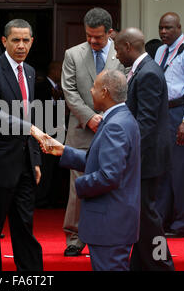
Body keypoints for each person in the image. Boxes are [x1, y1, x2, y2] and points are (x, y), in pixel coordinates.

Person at [36, 69, 141, 271]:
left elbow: (109, 175)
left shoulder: (115, 125)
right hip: (114, 221)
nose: (90, 91)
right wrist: (64, 151)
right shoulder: (121, 118)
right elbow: (103, 161)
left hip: (110, 223)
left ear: (105, 92)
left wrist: (79, 185)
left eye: (94, 87)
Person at [0, 19, 43, 272]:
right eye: (15, 40)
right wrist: (27, 128)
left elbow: (31, 117)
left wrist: (35, 159)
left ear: (32, 42)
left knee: (24, 226)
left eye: (26, 40)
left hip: (26, 163)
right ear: (4, 41)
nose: (21, 45)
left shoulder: (29, 71)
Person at [61, 7, 124, 257]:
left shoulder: (122, 54)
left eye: (97, 37)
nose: (92, 41)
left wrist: (107, 119)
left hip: (113, 129)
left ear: (110, 33)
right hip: (81, 129)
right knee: (78, 185)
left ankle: (108, 232)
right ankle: (75, 236)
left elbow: (125, 90)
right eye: (88, 35)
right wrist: (90, 118)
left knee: (110, 181)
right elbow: (69, 91)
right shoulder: (73, 54)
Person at [114, 27, 175, 271]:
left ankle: (163, 264)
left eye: (118, 49)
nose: (116, 55)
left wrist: (128, 153)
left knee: (147, 216)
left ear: (129, 46)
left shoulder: (148, 72)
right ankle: (140, 265)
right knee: (141, 216)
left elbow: (146, 122)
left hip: (147, 158)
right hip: (146, 156)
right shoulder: (143, 68)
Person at [154, 12, 184, 237]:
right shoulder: (160, 50)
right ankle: (161, 222)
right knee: (163, 169)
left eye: (169, 28)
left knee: (181, 171)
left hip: (181, 114)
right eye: (161, 27)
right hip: (163, 114)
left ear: (179, 28)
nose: (164, 31)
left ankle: (182, 224)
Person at [35, 61, 68, 208]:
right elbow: (38, 109)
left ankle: (54, 197)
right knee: (46, 167)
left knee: (57, 168)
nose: (63, 74)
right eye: (61, 70)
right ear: (54, 70)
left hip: (60, 133)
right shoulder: (40, 87)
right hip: (46, 133)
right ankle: (41, 198)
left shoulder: (60, 89)